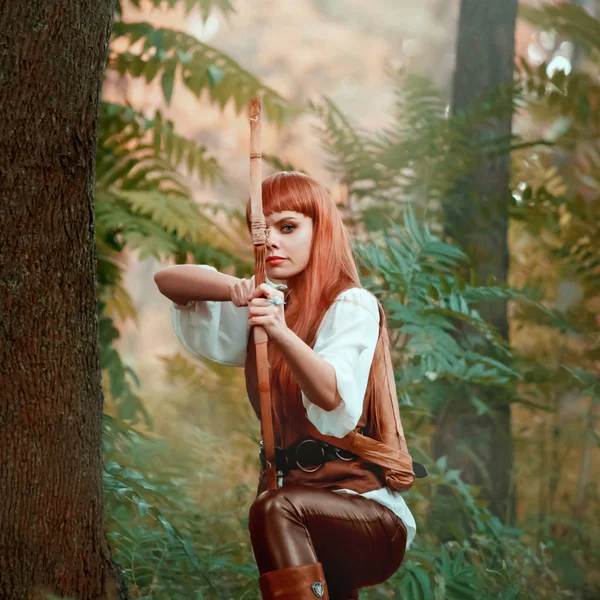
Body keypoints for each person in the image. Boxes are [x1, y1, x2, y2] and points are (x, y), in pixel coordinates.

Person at [154, 171, 416, 599]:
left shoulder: (351, 304)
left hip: (367, 515)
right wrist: (237, 289)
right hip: (296, 508)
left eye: (288, 227)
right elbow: (168, 280)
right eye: (262, 229)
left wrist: (281, 332)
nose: (271, 241)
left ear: (321, 231)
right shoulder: (269, 306)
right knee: (279, 510)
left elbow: (331, 393)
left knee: (276, 508)